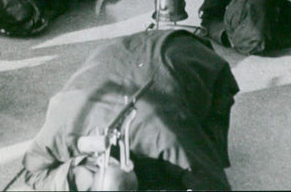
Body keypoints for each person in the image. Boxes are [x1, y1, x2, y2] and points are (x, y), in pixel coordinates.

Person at [22, 30, 239, 191]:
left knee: (196, 166)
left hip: (183, 52)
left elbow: (214, 185)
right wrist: (76, 176)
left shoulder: (168, 140)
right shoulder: (62, 122)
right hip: (117, 53)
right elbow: (33, 172)